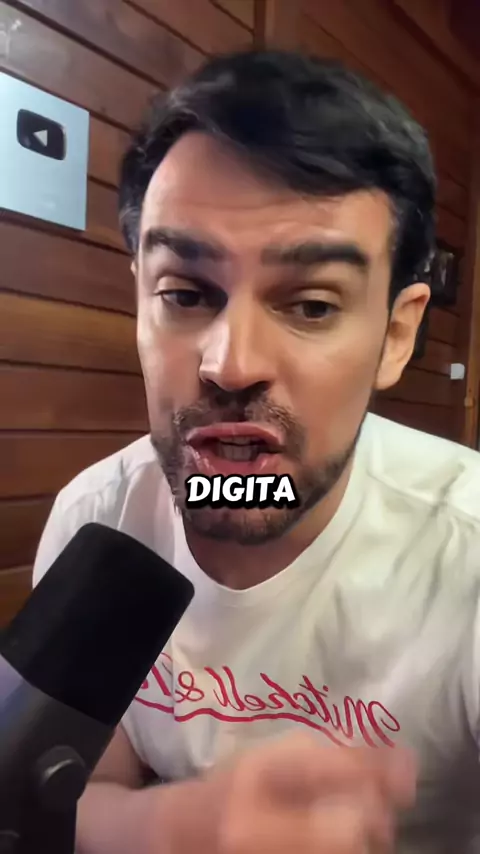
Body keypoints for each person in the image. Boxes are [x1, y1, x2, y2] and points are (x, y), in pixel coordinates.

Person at [32, 48, 480, 854]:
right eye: (185, 294)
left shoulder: (466, 553)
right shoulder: (97, 521)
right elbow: (74, 786)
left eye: (310, 305)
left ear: (396, 334)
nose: (231, 365)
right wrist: (172, 829)